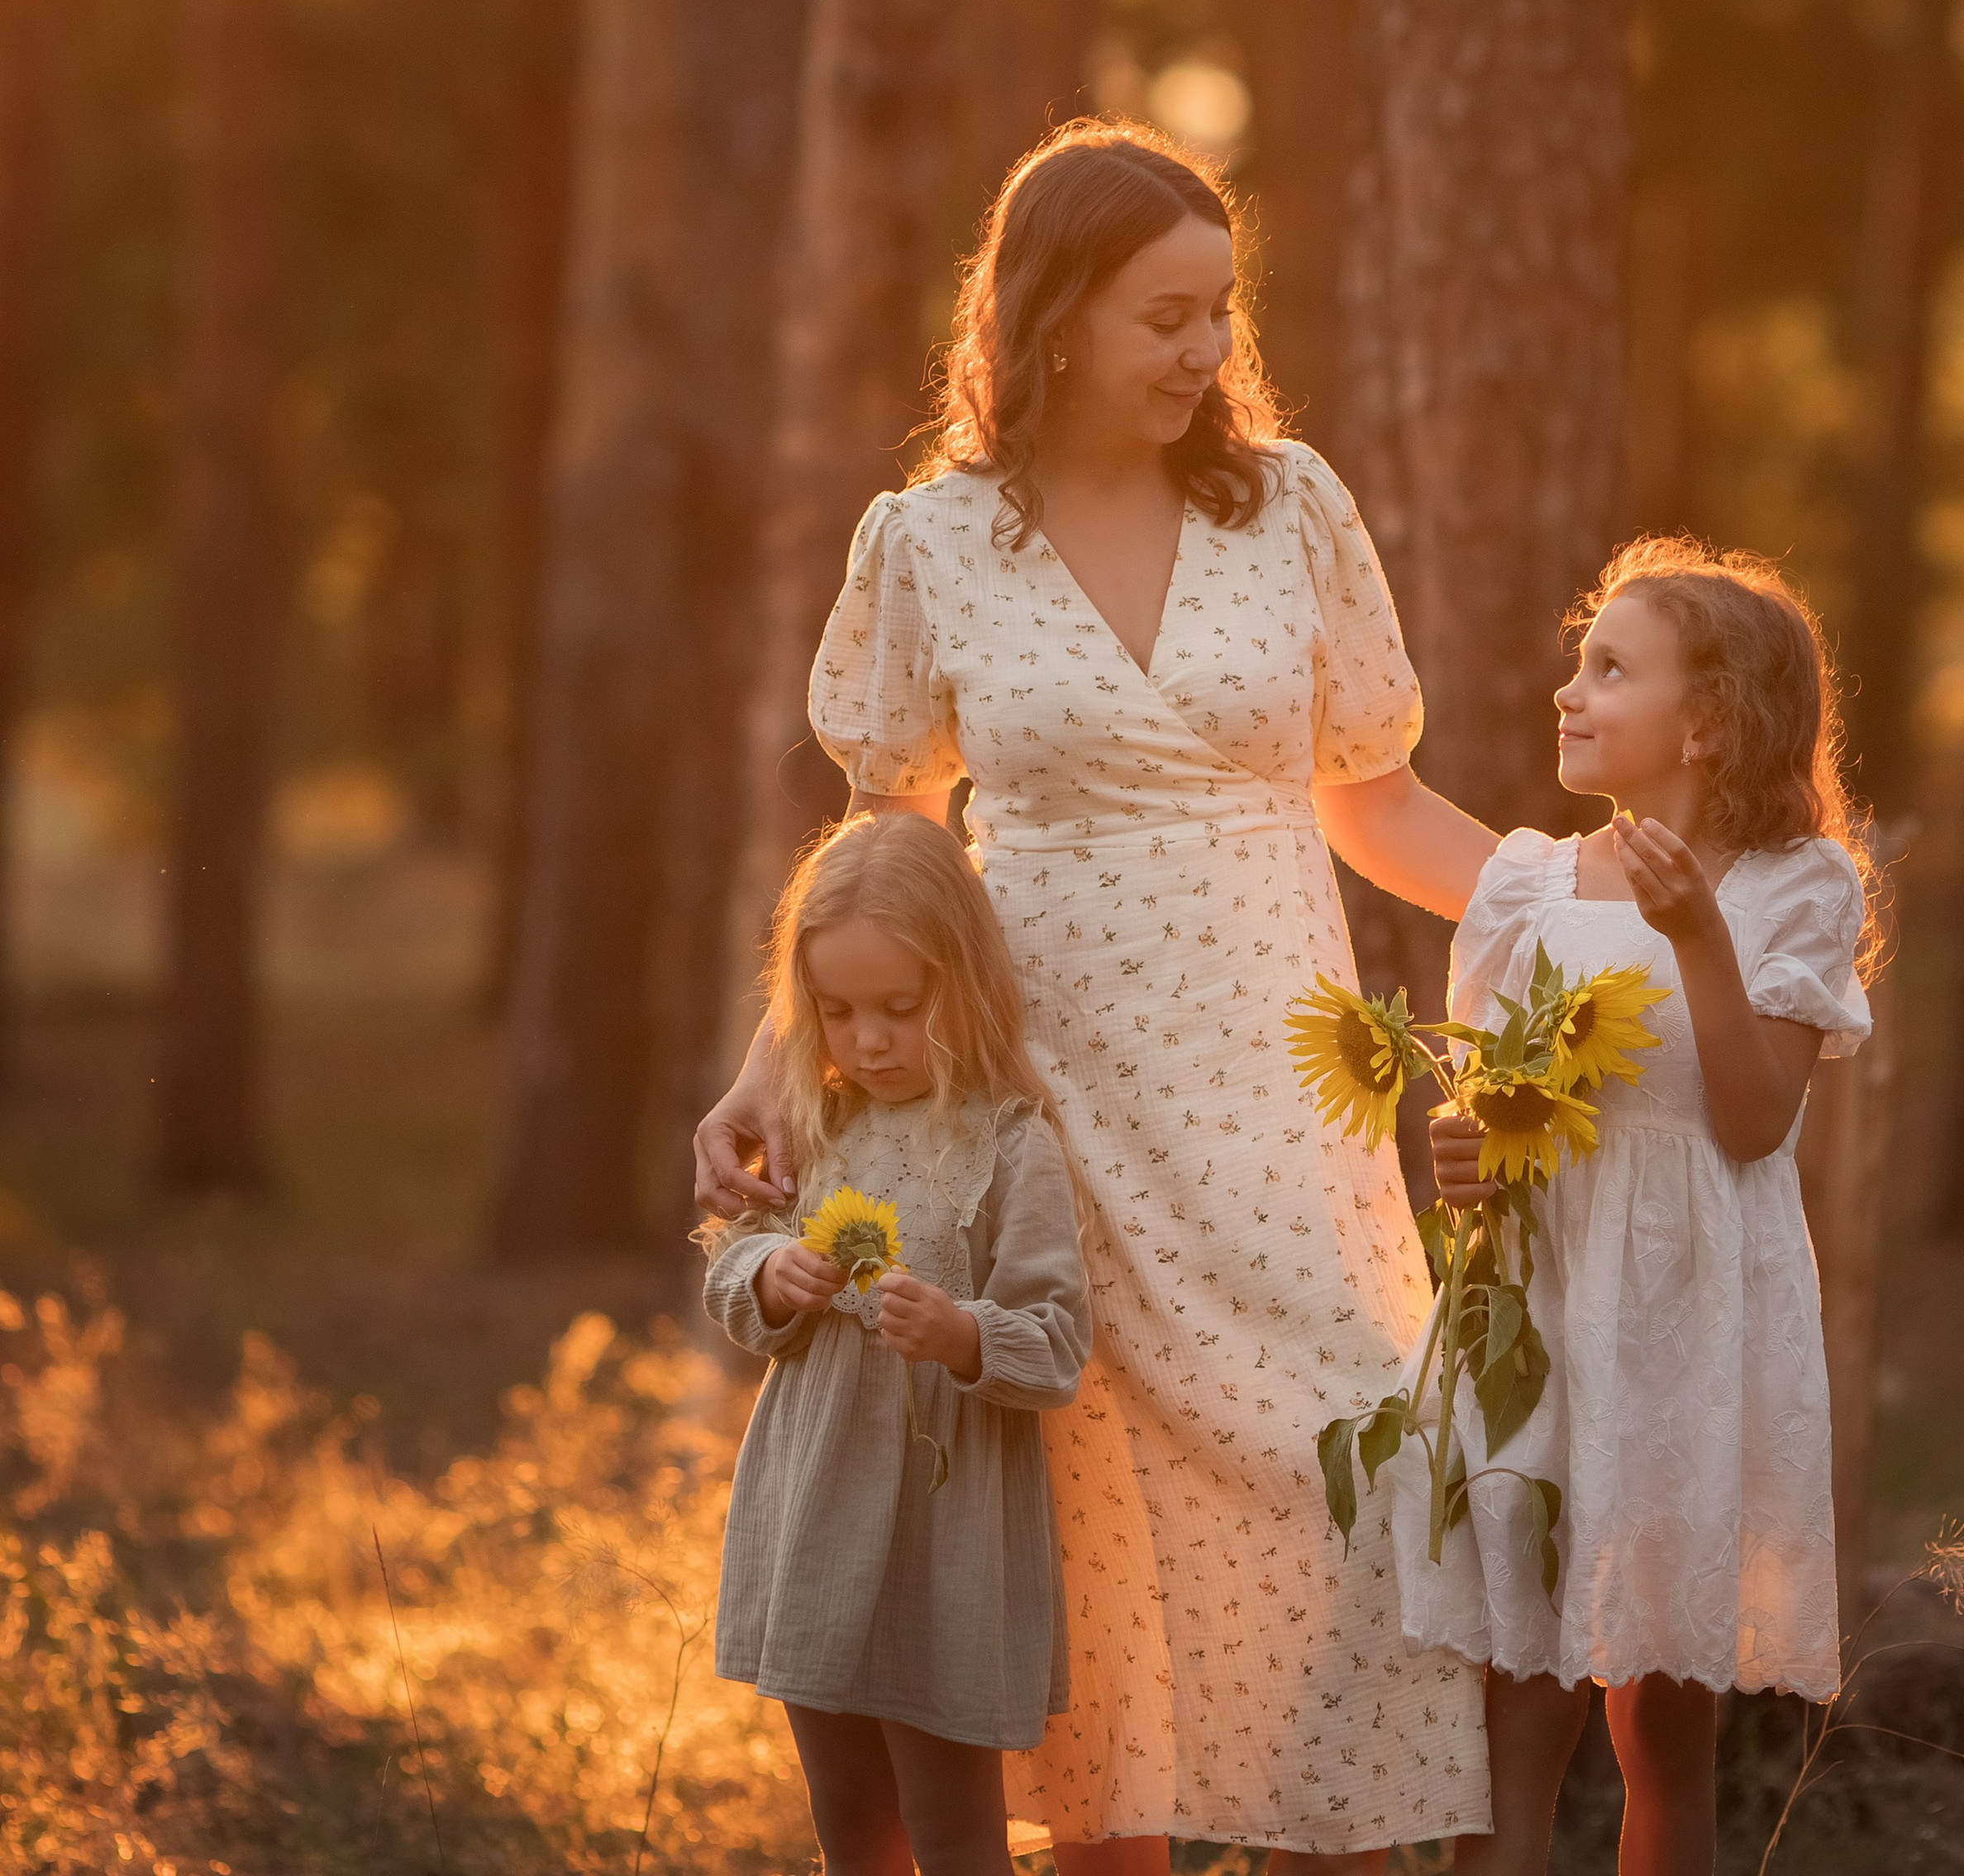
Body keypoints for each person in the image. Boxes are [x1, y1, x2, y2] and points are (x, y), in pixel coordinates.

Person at [698, 117, 1499, 1871]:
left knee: (1339, 1472)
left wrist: (1567, 908)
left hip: (1275, 1092)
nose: (1207, 351)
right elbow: (887, 833)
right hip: (1035, 1102)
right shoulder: (930, 541)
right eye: (1164, 315)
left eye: (1220, 312)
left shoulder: (1289, 507)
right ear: (1050, 314)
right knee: (1078, 1530)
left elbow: (1370, 798)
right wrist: (778, 1064)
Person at [1409, 537, 1881, 1876]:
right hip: (1545, 1314)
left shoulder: (1796, 888)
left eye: (1610, 669)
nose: (1570, 691)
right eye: (1578, 663)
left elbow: (1748, 1120)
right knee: (1515, 1703)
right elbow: (1500, 1119)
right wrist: (1462, 1155)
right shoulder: (1530, 890)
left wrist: (1698, 938)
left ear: (1712, 718)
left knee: (1663, 1726)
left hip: (1687, 1325)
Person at [703, 810, 1091, 1876]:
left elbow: (1058, 1341)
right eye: (835, 1012)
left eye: (899, 1009)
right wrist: (770, 1278)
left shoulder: (1011, 1141)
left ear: (963, 986)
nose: (866, 1041)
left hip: (948, 1525)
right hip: (818, 1510)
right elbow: (732, 1265)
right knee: (848, 1816)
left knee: (958, 1827)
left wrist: (966, 1333)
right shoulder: (814, 1121)